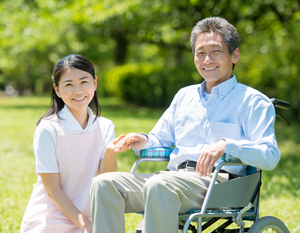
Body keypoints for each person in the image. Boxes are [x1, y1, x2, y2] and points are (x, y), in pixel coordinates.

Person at [90, 17, 281, 233]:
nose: (207, 59)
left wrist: (226, 146)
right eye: (200, 53)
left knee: (159, 186)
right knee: (104, 184)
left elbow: (270, 155)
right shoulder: (184, 96)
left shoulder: (253, 101)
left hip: (220, 185)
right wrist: (143, 140)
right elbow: (161, 139)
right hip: (172, 179)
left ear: (234, 54)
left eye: (215, 51)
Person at [20, 54, 130, 233]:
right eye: (68, 84)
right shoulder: (48, 129)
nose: (78, 91)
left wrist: (110, 152)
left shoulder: (106, 126)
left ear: (94, 83)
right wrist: (85, 225)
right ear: (57, 89)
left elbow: (105, 183)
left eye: (84, 82)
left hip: (92, 218)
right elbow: (52, 190)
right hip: (50, 220)